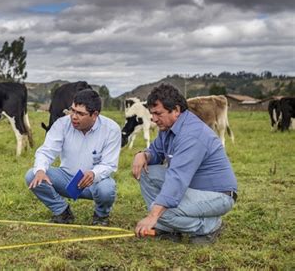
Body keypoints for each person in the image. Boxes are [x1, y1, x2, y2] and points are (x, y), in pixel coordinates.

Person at [132, 84, 237, 244]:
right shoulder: (168, 128)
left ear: (176, 110)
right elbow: (156, 151)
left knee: (161, 212)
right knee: (148, 172)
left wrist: (154, 215)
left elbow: (177, 179)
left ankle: (209, 225)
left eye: (158, 113)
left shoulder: (192, 135)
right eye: (151, 114)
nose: (153, 119)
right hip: (193, 188)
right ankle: (169, 228)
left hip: (218, 195)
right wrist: (143, 154)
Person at [26, 89, 121, 226]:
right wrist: (40, 170)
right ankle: (62, 212)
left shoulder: (111, 129)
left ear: (94, 115)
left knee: (107, 189)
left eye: (80, 114)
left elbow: (109, 164)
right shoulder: (62, 124)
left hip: (94, 181)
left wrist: (94, 174)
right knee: (32, 175)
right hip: (66, 179)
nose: (74, 117)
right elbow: (46, 151)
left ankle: (101, 216)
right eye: (73, 110)